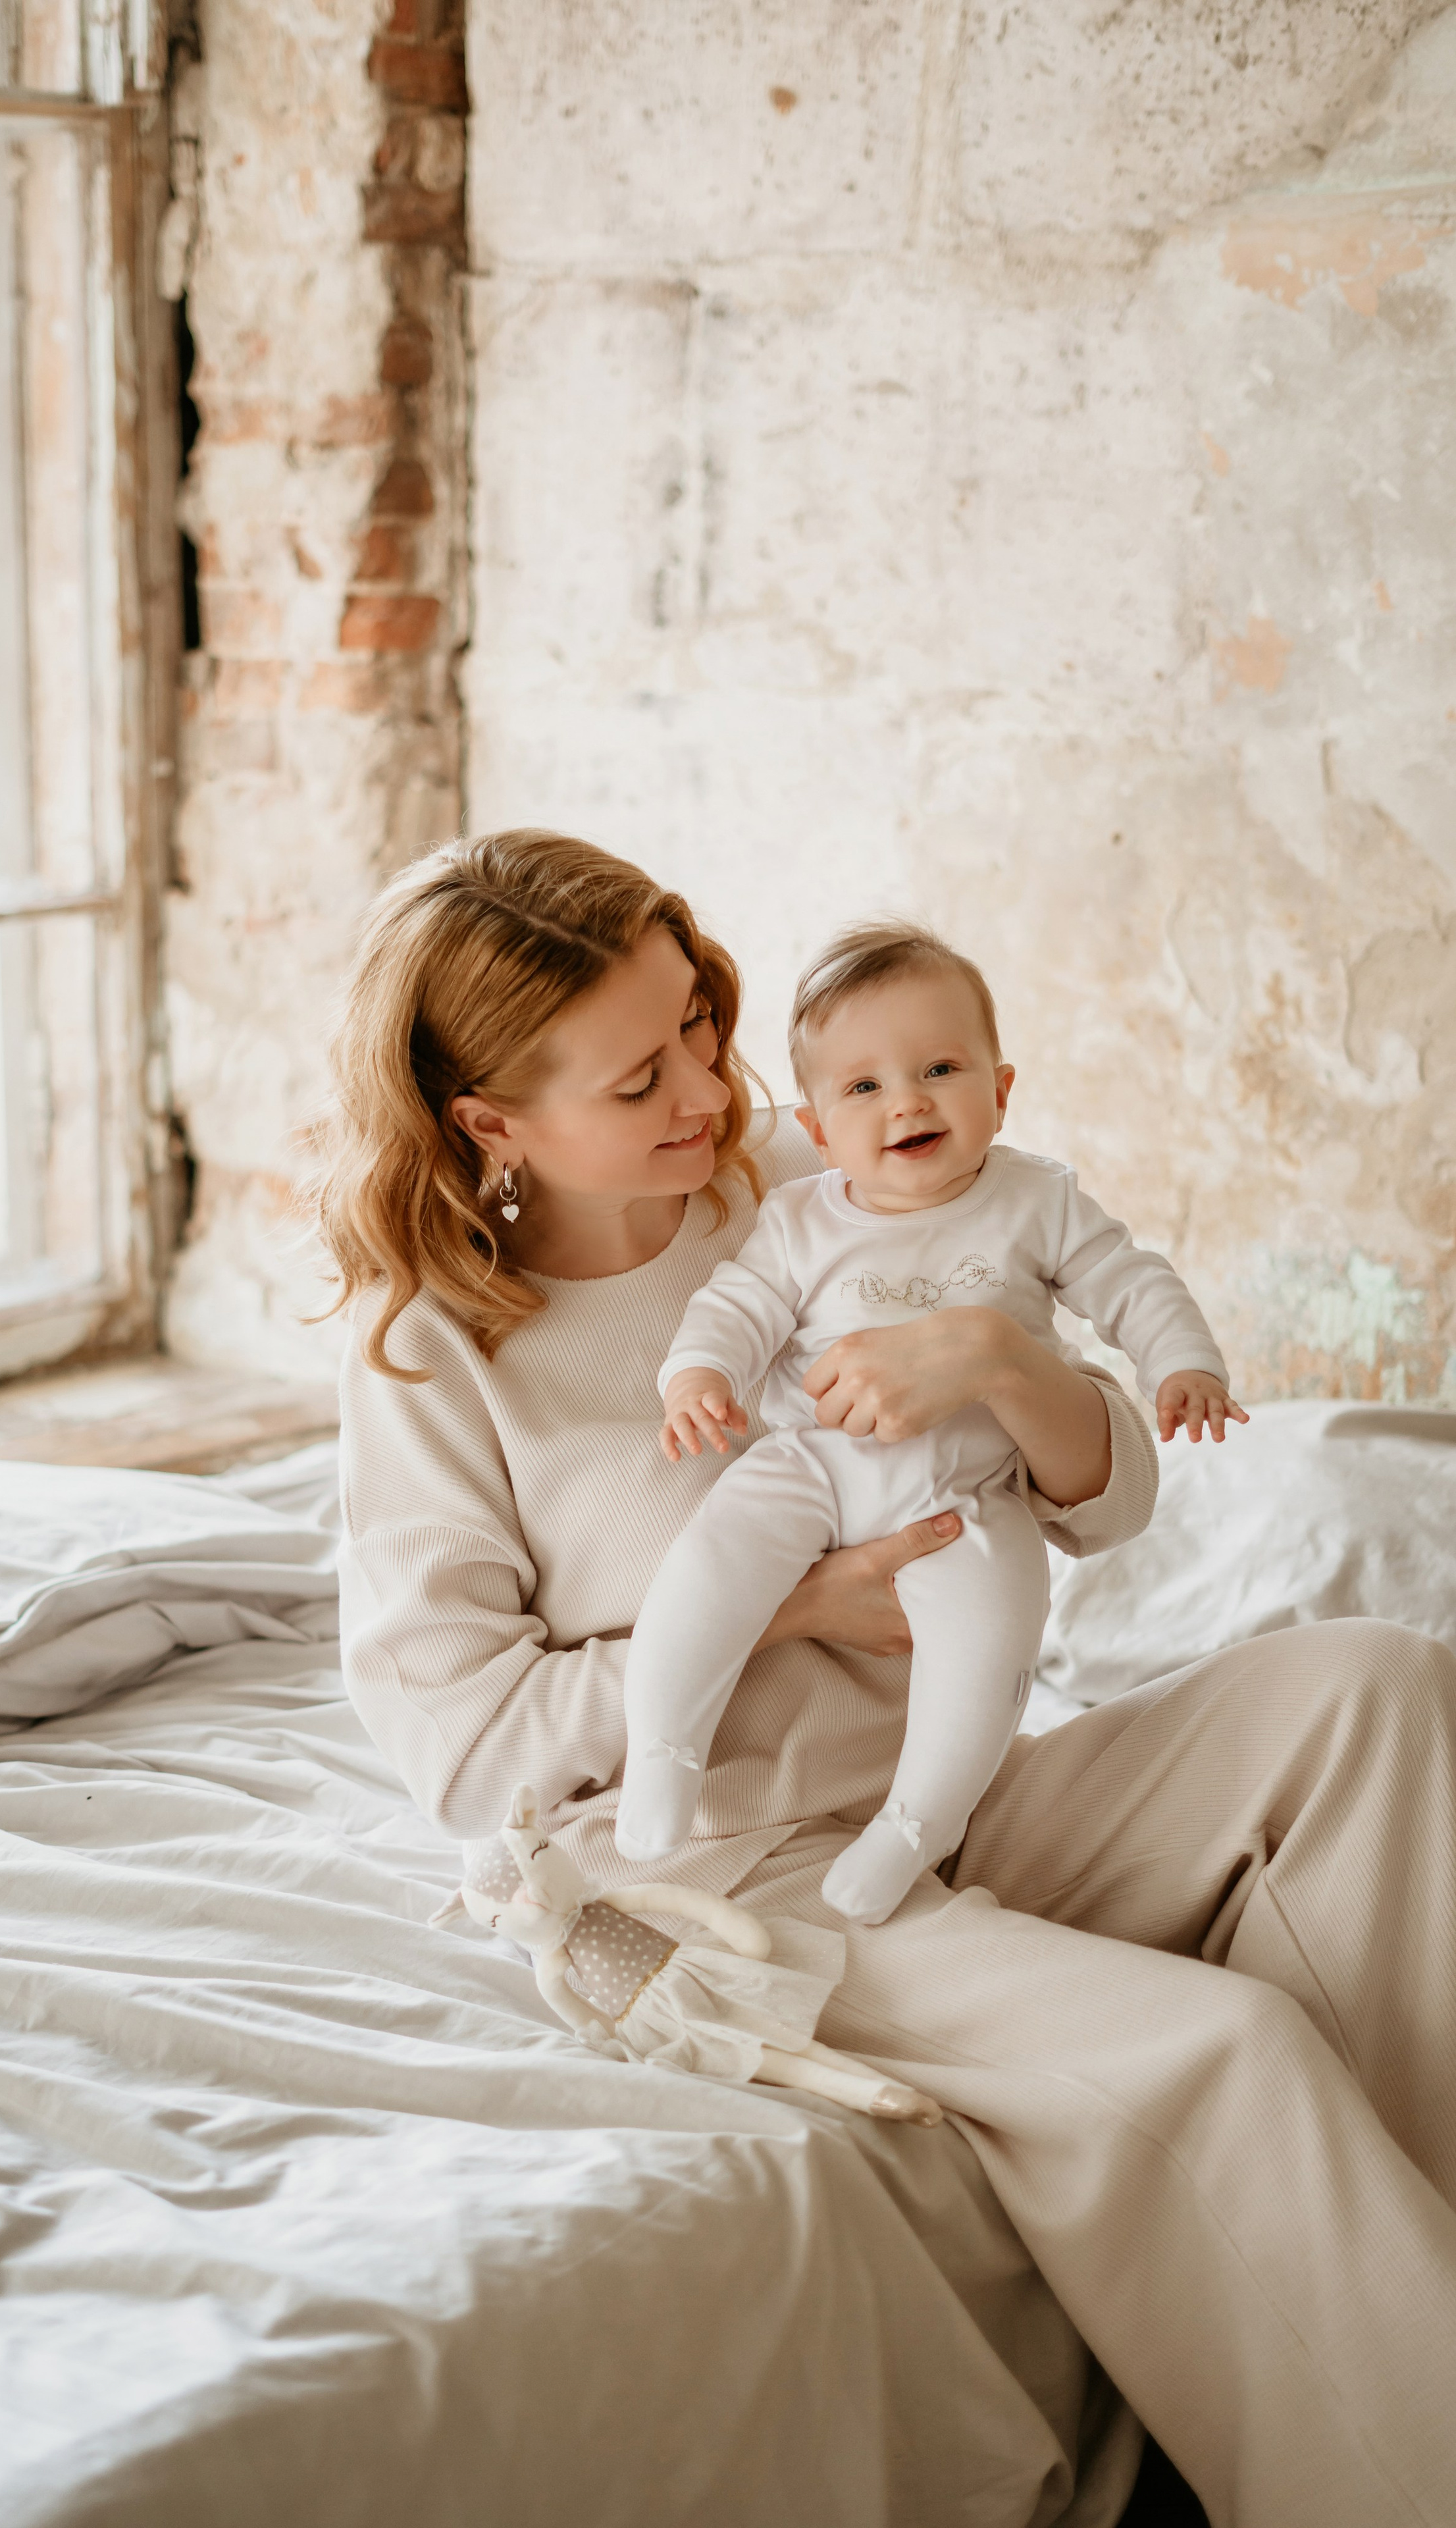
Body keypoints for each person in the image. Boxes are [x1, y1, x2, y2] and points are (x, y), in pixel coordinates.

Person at [323, 828, 1456, 2528]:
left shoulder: (806, 1176)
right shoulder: (434, 1350)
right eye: (644, 1077)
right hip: (741, 1881)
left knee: (1376, 1690)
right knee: (1226, 2051)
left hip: (965, 1787)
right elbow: (467, 1749)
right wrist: (799, 1605)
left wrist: (998, 1356)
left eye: (702, 1028)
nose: (711, 1087)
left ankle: (1395, 2304)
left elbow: (1115, 1504)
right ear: (494, 1122)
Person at [616, 918, 1243, 1920]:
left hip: (973, 1496)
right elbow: (737, 1308)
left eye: (940, 1068)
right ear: (818, 1131)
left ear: (1000, 1089)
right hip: (815, 1464)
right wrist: (697, 1377)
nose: (906, 1100)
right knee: (709, 1568)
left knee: (989, 1650)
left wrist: (1184, 1363)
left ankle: (915, 1828)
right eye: (862, 1087)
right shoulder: (799, 1217)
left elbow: (1130, 1281)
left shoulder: (1037, 1199)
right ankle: (664, 1751)